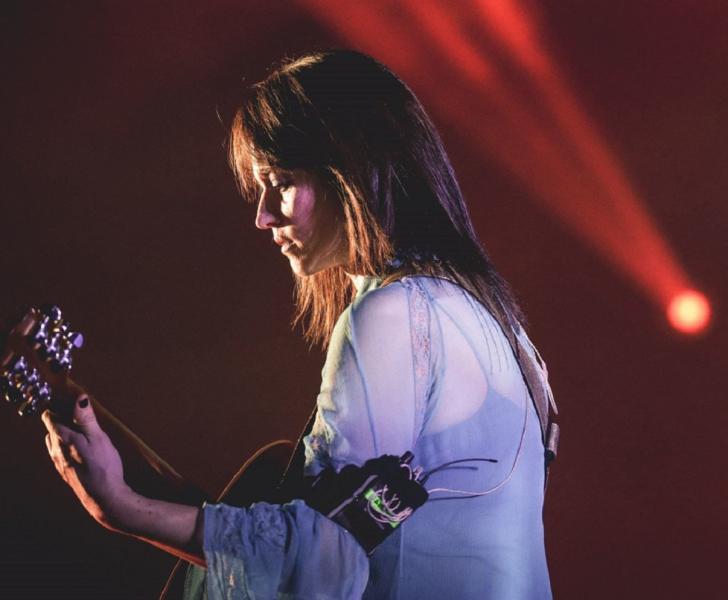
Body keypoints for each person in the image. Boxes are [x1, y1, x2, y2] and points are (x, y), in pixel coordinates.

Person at [41, 49, 557, 599]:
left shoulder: (395, 313)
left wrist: (125, 508)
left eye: (280, 181)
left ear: (352, 172)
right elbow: (373, 519)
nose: (263, 214)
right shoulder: (500, 325)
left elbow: (325, 557)